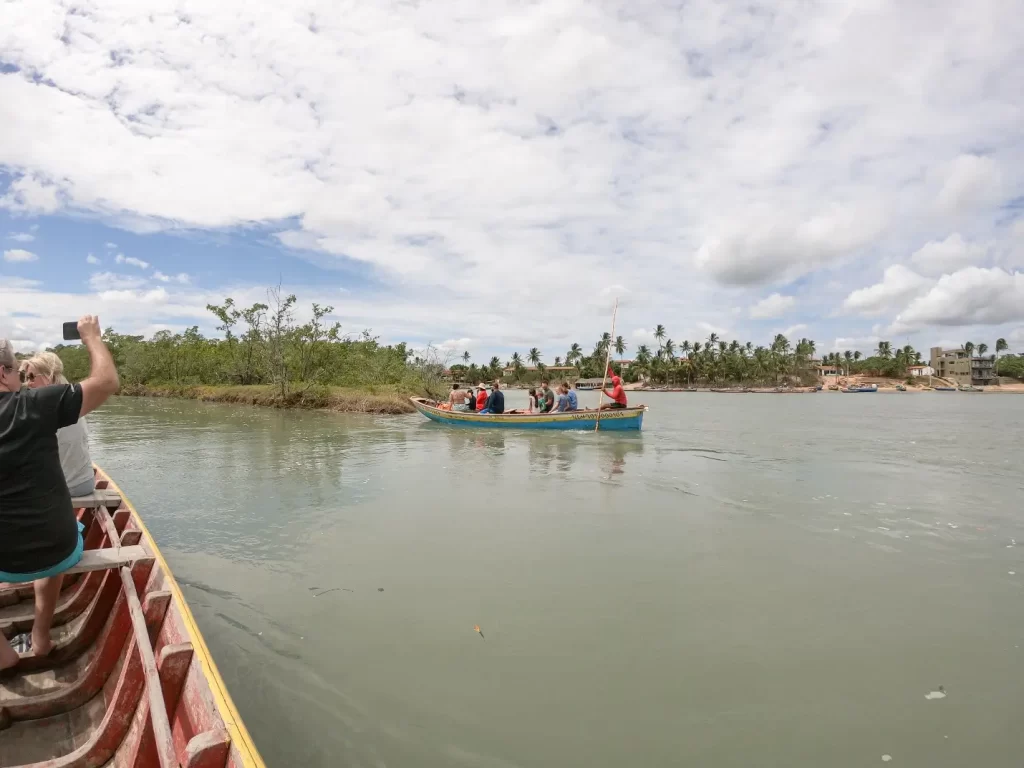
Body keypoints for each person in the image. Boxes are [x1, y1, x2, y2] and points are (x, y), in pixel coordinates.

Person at [0, 316, 119, 670]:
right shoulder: (38, 405)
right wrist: (92, 337)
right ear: (5, 372)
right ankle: (41, 636)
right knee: (57, 544)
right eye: (18, 373)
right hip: (56, 550)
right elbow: (106, 381)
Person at [21, 352, 96, 497]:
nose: (28, 383)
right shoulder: (73, 398)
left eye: (31, 377)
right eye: (26, 378)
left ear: (48, 376)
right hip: (85, 483)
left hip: (62, 487)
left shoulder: (42, 406)